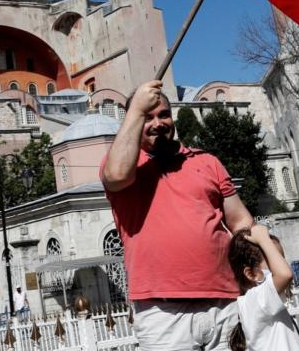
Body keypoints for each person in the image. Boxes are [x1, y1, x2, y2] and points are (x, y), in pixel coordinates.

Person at [101, 79, 255, 351]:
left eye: (163, 115)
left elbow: (240, 220)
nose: (157, 123)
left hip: (224, 301)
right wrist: (135, 109)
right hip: (163, 312)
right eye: (147, 117)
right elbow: (116, 176)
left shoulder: (206, 161)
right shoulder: (124, 164)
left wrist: (253, 266)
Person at [227, 225, 299, 351]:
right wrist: (263, 239)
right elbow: (284, 275)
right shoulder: (253, 301)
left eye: (281, 259)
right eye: (275, 259)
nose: (283, 264)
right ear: (252, 274)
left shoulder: (266, 306)